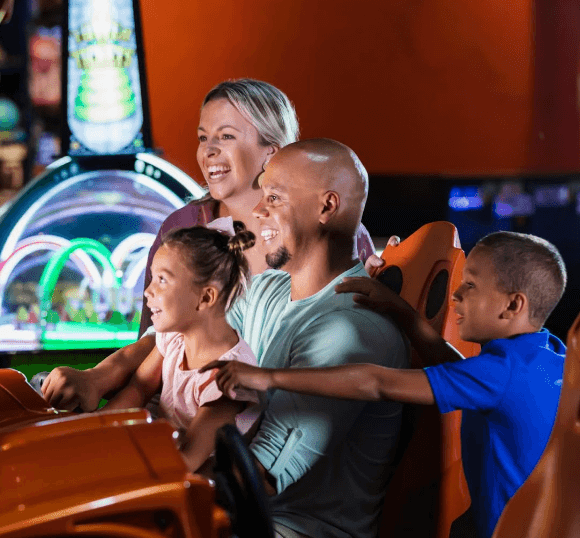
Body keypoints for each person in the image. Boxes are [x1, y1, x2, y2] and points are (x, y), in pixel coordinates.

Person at [47, 138, 410, 538]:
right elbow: (179, 332)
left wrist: (107, 488)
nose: (257, 210)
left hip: (281, 527)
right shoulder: (270, 290)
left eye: (273, 197)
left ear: (326, 207)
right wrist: (97, 377)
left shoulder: (350, 330)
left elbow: (253, 480)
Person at [41, 79, 377, 412]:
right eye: (204, 138)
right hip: (183, 411)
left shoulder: (328, 230)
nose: (208, 150)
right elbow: (157, 339)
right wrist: (96, 378)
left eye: (226, 136)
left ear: (271, 152)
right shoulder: (184, 227)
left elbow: (357, 335)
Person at [205, 231, 567, 538]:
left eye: (470, 286)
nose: (456, 296)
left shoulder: (500, 374)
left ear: (513, 305)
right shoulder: (540, 355)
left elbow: (376, 383)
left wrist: (265, 376)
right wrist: (403, 314)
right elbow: (459, 375)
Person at [101, 221, 260, 472]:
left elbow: (187, 459)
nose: (147, 292)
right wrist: (94, 429)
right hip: (158, 458)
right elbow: (139, 388)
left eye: (162, 280)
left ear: (205, 297)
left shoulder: (230, 377)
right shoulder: (174, 338)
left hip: (193, 486)